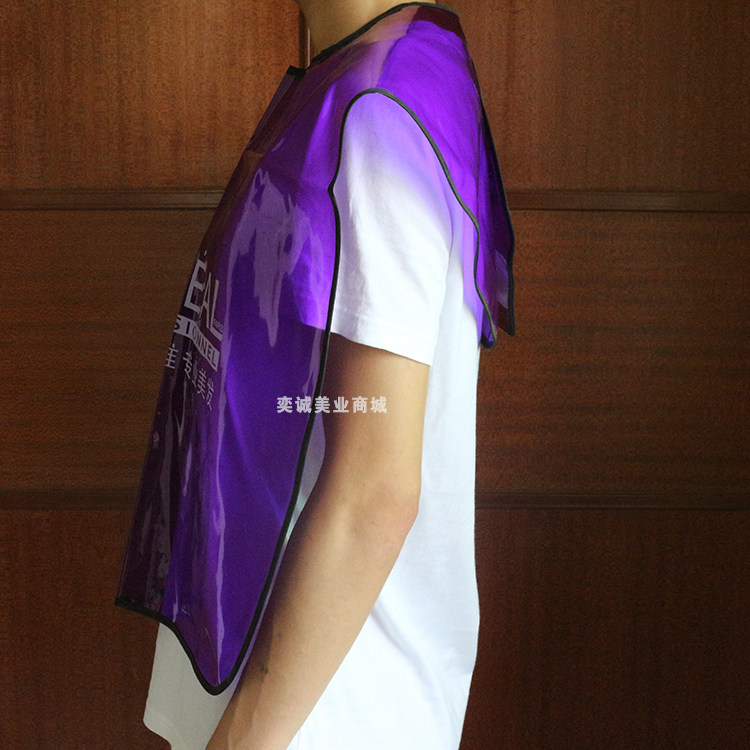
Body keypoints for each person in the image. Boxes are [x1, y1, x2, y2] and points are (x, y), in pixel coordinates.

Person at [116, 1, 514, 748]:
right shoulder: (367, 70)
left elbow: (375, 490)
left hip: (323, 708)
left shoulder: (380, 107)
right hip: (296, 673)